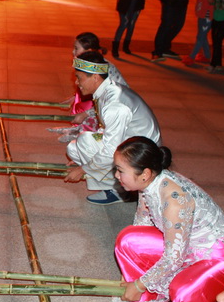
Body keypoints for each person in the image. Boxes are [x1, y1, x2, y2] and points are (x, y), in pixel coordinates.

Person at [110, 136, 224, 302]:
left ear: (144, 174)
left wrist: (140, 284)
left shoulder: (173, 200)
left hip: (216, 257)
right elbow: (142, 224)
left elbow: (174, 257)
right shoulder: (150, 183)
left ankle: (200, 295)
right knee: (129, 239)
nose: (117, 176)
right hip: (183, 246)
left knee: (184, 292)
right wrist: (137, 277)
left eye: (120, 170)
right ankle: (154, 292)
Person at [63, 51, 160, 205]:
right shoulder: (107, 90)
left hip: (140, 152)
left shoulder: (115, 105)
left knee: (85, 143)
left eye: (79, 78)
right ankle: (112, 180)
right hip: (128, 141)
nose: (76, 83)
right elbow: (107, 131)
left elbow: (111, 148)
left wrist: (84, 169)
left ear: (95, 77)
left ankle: (119, 190)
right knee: (76, 147)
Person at [51, 32, 127, 144]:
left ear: (89, 51)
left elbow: (107, 101)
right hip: (109, 103)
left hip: (119, 108)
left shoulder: (99, 69)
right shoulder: (92, 65)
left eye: (76, 48)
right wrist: (74, 98)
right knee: (81, 105)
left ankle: (89, 136)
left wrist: (85, 114)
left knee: (88, 114)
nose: (73, 52)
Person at [183, 0, 222, 66]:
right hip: (202, 11)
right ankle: (207, 55)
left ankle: (192, 56)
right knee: (202, 35)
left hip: (209, 14)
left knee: (201, 36)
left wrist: (214, 1)